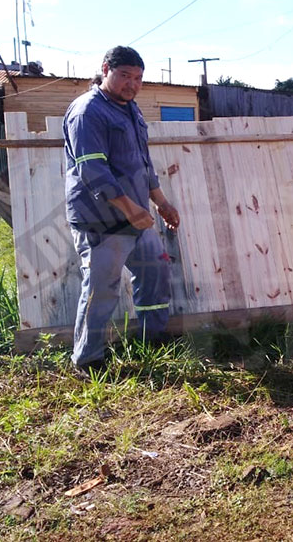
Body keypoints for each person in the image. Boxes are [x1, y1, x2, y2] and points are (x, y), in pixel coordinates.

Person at [63, 46, 180, 373]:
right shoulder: (87, 112)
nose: (132, 84)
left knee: (155, 273)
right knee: (101, 290)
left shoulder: (130, 109)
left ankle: (151, 338)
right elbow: (93, 170)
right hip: (101, 220)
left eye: (138, 78)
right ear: (105, 69)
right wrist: (131, 209)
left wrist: (161, 202)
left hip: (136, 216)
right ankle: (87, 360)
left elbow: (143, 163)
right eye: (125, 75)